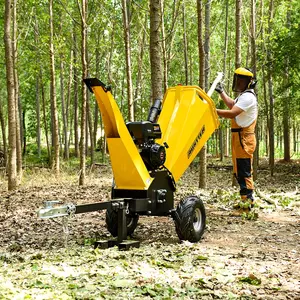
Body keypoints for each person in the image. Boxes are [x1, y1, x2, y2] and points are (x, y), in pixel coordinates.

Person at [215, 67, 258, 213]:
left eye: (242, 80)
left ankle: (248, 203)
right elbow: (232, 105)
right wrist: (221, 92)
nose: (239, 82)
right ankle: (244, 201)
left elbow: (232, 113)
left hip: (244, 138)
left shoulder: (248, 97)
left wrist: (212, 111)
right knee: (239, 171)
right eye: (238, 79)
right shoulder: (243, 96)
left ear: (249, 82)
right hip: (238, 137)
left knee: (244, 170)